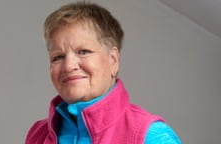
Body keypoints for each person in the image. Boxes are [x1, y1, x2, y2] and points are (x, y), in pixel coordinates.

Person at [25, 2, 181, 144]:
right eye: (58, 57)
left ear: (113, 60)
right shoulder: (38, 134)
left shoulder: (151, 136)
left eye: (83, 51)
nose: (68, 66)